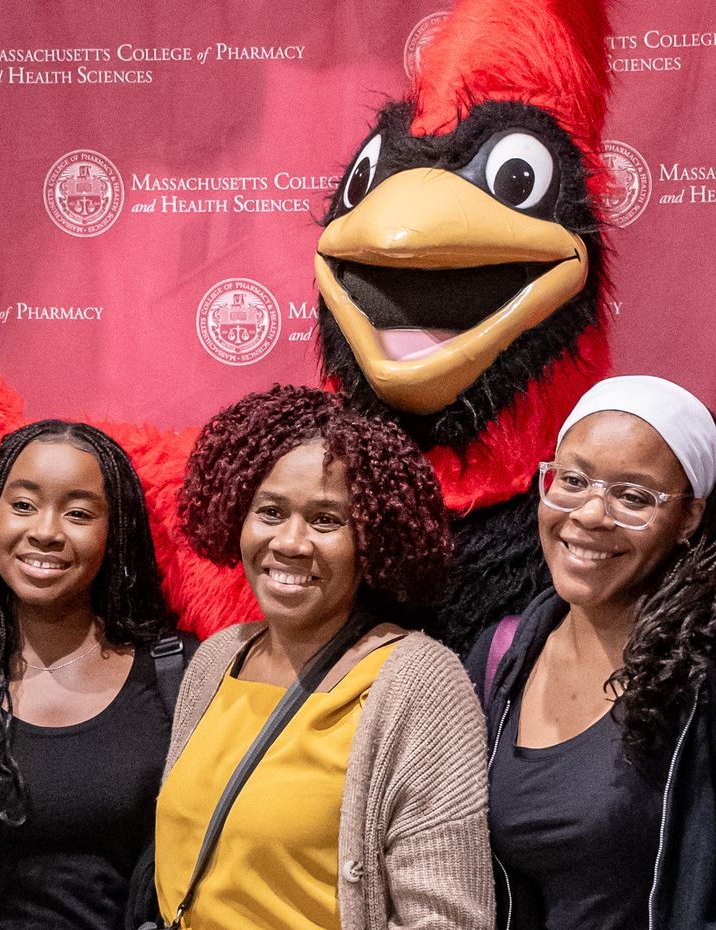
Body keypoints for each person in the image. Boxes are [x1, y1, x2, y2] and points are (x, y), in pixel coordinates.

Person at [156, 384, 493, 930]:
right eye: (270, 511)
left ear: (374, 540)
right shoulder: (217, 659)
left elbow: (447, 920)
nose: (290, 542)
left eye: (325, 520)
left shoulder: (419, 684)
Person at [466, 375, 716, 930]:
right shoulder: (501, 656)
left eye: (633, 496)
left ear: (690, 518)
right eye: (573, 480)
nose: (592, 514)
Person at [0, 420, 182, 930]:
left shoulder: (178, 676)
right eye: (22, 505)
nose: (45, 531)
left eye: (79, 513)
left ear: (117, 531)